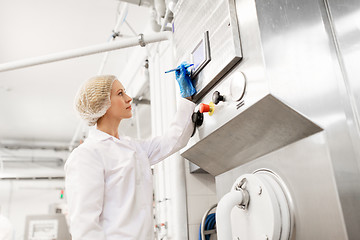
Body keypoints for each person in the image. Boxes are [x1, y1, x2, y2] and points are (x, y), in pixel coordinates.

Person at [65, 62, 196, 240]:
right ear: (101, 103)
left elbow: (173, 140)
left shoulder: (133, 147)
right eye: (120, 93)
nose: (129, 98)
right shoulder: (87, 155)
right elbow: (84, 225)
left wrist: (186, 99)